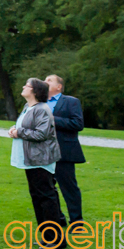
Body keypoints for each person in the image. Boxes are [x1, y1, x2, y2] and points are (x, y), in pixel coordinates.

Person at [9, 77, 66, 246]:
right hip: (31, 160)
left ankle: (57, 240)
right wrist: (14, 130)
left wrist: (19, 132)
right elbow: (23, 127)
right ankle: (47, 237)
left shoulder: (42, 109)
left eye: (27, 85)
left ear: (35, 91)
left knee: (46, 198)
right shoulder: (28, 107)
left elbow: (41, 134)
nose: (23, 87)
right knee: (37, 197)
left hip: (40, 160)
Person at [46, 74, 85, 225]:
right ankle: (58, 219)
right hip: (44, 153)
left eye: (49, 80)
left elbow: (77, 124)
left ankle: (77, 222)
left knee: (69, 188)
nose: (45, 82)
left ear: (59, 86)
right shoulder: (39, 103)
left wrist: (51, 119)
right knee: (48, 189)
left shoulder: (70, 101)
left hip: (64, 152)